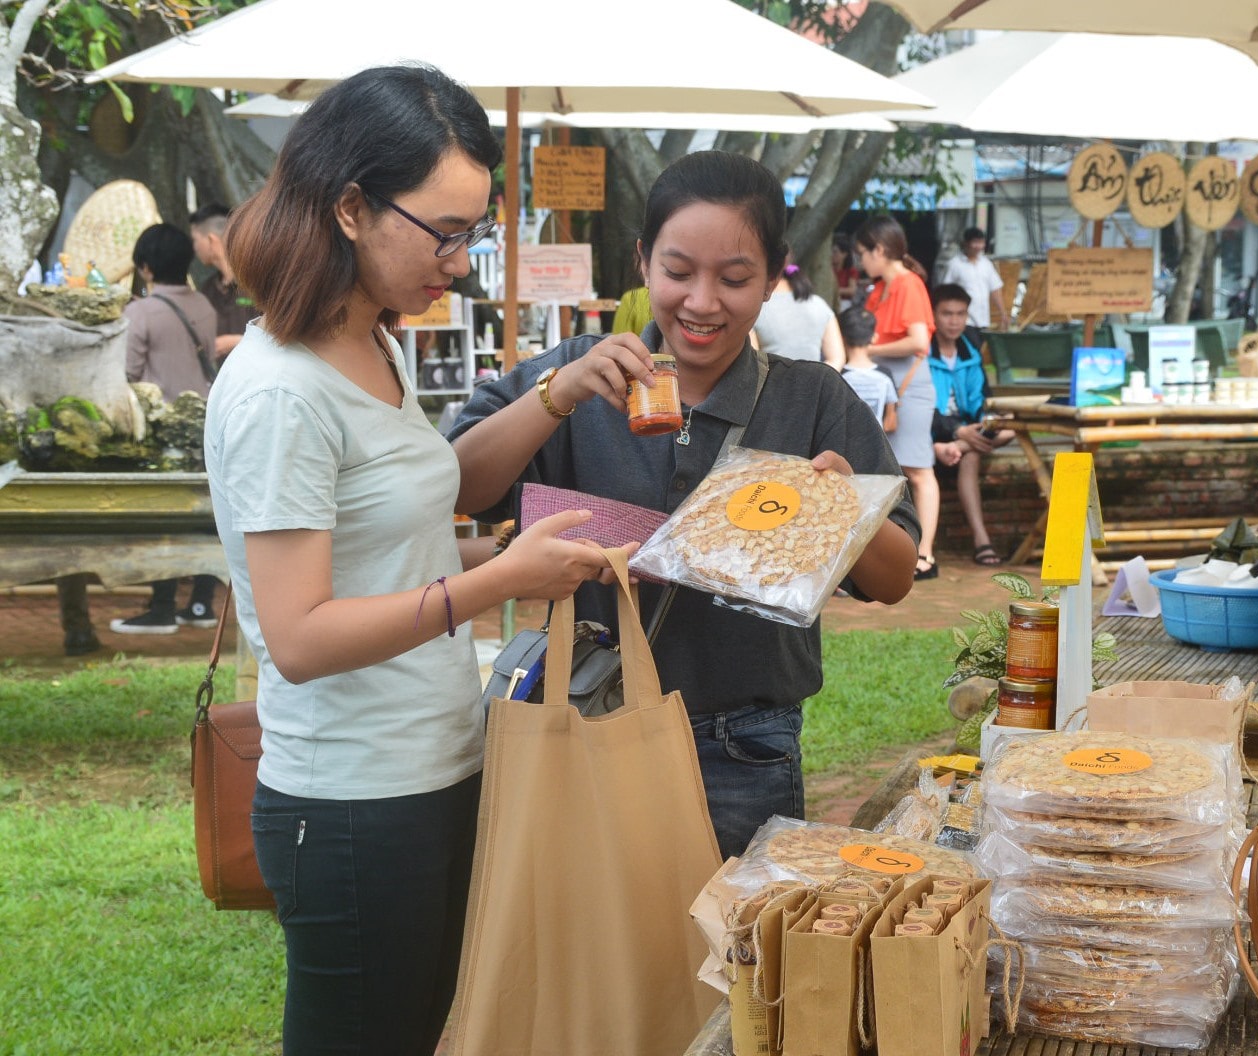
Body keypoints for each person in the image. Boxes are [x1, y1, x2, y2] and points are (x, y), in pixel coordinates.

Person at [207, 65, 614, 1055]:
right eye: (446, 232)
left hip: (433, 769)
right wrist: (494, 582)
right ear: (350, 206)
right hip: (349, 804)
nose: (461, 262)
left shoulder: (371, 343)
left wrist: (559, 399)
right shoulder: (282, 392)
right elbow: (298, 637)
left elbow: (428, 509)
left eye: (471, 232)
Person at [449, 150, 919, 859]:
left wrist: (845, 509)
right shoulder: (577, 371)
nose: (702, 302)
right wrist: (558, 394)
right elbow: (458, 487)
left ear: (770, 281)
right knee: (601, 956)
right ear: (643, 263)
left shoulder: (811, 397)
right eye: (678, 272)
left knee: (721, 961)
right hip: (587, 720)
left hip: (743, 747)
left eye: (734, 279)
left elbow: (895, 578)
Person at [109, 223, 222, 635]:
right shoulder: (205, 307)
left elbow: (127, 373)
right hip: (205, 424)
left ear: (145, 267)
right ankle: (200, 605)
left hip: (162, 430)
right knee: (206, 516)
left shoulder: (139, 312)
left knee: (162, 517)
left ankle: (160, 608)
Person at [855, 215, 940, 581]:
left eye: (863, 253)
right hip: (885, 384)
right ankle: (897, 552)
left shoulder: (908, 284)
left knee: (919, 469)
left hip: (910, 383)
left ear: (879, 249)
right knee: (888, 469)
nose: (860, 261)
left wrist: (873, 349)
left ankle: (926, 553)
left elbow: (919, 341)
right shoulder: (879, 290)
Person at [926, 284, 1014, 566]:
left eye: (960, 314)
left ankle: (958, 446)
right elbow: (919, 407)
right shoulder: (922, 353)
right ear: (934, 315)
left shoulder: (971, 353)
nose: (954, 321)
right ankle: (981, 539)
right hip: (930, 438)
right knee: (971, 454)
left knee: (1012, 427)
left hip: (964, 434)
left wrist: (978, 426)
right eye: (947, 314)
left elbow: (981, 400)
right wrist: (955, 431)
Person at [189, 203, 255, 365]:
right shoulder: (209, 288)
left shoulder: (255, 279)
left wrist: (237, 341)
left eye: (196, 240)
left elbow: (283, 335)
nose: (194, 248)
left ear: (211, 240)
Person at [750, 257, 844, 367]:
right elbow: (837, 359)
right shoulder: (819, 304)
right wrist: (816, 381)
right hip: (815, 381)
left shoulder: (755, 308)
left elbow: (753, 363)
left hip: (773, 381)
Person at [837, 306, 897, 432]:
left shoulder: (836, 374)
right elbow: (891, 423)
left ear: (841, 338)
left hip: (842, 447)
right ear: (874, 337)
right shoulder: (885, 375)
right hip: (875, 447)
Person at [939, 226, 1007, 332]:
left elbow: (995, 289)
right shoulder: (954, 264)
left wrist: (1003, 312)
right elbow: (945, 292)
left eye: (981, 243)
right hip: (964, 321)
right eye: (975, 242)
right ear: (966, 243)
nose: (978, 246)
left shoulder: (986, 264)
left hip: (983, 320)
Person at [831, 234, 859, 309]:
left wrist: (836, 291)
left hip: (844, 303)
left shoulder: (851, 271)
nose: (832, 255)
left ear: (844, 254)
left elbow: (852, 290)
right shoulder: (830, 270)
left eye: (835, 252)